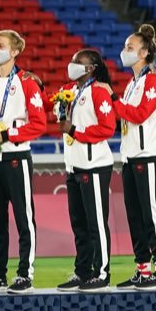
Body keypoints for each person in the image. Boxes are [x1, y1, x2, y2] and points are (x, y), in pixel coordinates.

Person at [0, 29, 47, 294]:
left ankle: (25, 273)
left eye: (1, 45)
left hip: (16, 157)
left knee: (24, 218)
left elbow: (39, 124)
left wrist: (7, 134)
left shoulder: (26, 82)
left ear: (15, 51)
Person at [113, 24, 156, 290]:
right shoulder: (132, 83)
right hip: (131, 156)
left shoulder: (152, 81)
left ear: (145, 52)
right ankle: (142, 269)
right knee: (135, 215)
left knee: (151, 214)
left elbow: (139, 114)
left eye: (130, 47)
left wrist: (111, 98)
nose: (125, 51)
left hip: (149, 156)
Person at [57, 49, 119, 292]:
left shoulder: (99, 92)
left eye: (77, 62)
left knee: (95, 223)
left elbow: (107, 128)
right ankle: (83, 271)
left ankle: (101, 272)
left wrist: (74, 131)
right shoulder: (71, 92)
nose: (72, 65)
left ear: (91, 68)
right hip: (74, 164)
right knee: (79, 223)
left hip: (93, 165)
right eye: (72, 60)